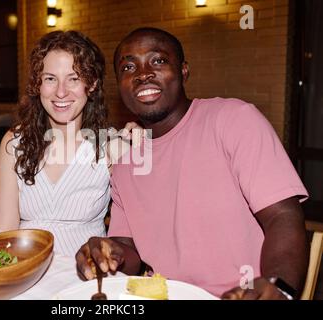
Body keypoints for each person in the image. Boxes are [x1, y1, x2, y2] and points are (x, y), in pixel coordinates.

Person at [75, 27, 310, 300]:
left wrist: (278, 285)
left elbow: (283, 216)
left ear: (184, 71)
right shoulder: (126, 163)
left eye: (159, 60)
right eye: (129, 67)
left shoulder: (234, 120)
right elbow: (128, 251)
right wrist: (107, 251)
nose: (143, 74)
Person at [0, 30, 140, 257]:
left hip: (87, 277)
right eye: (50, 79)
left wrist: (146, 147)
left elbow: (153, 218)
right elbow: (3, 234)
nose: (61, 92)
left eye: (73, 79)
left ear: (90, 85)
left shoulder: (111, 146)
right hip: (25, 271)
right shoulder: (14, 143)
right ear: (38, 85)